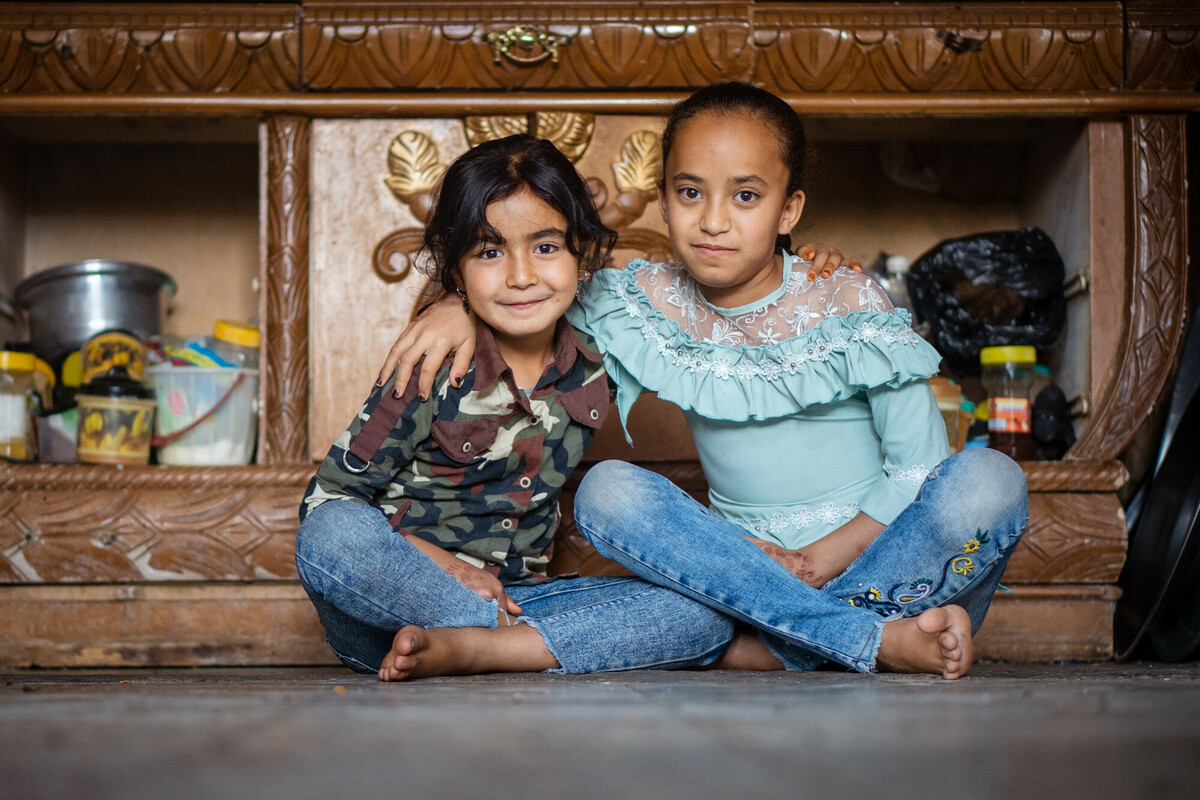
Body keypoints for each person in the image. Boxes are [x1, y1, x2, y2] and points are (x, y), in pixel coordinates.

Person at [380, 83, 1028, 680]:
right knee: (609, 492)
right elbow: (528, 290)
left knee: (991, 480)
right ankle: (866, 641)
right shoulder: (640, 301)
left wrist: (814, 564)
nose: (713, 220)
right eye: (690, 193)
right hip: (736, 565)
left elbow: (916, 471)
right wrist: (457, 302)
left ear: (788, 208)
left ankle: (777, 645)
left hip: (882, 561)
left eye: (746, 196)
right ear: (662, 201)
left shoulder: (847, 299)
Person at [296, 133, 744, 681]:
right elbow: (328, 502)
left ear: (582, 255)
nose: (521, 276)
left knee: (702, 614)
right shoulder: (433, 362)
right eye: (489, 252)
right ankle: (497, 641)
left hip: (526, 604)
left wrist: (815, 270)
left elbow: (730, 300)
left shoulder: (600, 356)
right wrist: (452, 571)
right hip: (396, 613)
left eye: (546, 247)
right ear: (455, 271)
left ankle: (480, 652)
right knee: (332, 536)